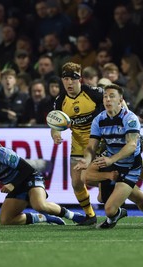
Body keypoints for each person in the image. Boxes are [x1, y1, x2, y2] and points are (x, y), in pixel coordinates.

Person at [0, 131, 85, 225]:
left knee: (39, 205)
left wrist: (12, 185)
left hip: (30, 178)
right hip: (16, 186)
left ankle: (72, 215)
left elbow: (28, 169)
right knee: (6, 221)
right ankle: (43, 218)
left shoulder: (2, 153)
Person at [73, 84, 143, 229]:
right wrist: (86, 160)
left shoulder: (129, 118)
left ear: (120, 100)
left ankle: (131, 191)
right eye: (105, 96)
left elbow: (132, 146)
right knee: (88, 182)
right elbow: (91, 146)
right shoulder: (99, 119)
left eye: (112, 96)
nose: (107, 99)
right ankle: (121, 196)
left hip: (133, 162)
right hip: (113, 161)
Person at [51, 62, 107, 225]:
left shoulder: (94, 93)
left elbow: (117, 103)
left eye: (73, 79)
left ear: (80, 79)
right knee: (76, 183)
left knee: (89, 179)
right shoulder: (60, 101)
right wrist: (56, 135)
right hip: (78, 146)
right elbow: (55, 125)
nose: (69, 83)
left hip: (99, 144)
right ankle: (90, 215)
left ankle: (113, 183)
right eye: (65, 79)